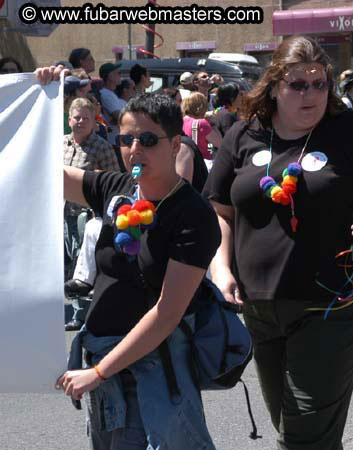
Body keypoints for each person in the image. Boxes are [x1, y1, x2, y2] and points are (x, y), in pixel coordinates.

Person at [203, 35, 353, 450]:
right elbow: (220, 210)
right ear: (275, 85)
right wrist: (221, 268)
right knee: (293, 426)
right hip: (259, 305)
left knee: (304, 437)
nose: (312, 94)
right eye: (299, 85)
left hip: (334, 303)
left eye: (320, 84)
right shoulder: (245, 133)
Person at [33, 65, 223, 448]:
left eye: (148, 139)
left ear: (176, 145)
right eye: (125, 139)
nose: (134, 149)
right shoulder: (117, 187)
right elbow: (37, 173)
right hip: (105, 364)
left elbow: (167, 312)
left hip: (153, 372)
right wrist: (44, 99)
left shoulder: (192, 214)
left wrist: (100, 372)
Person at [63, 97, 121, 331]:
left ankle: (81, 313)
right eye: (77, 117)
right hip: (63, 211)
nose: (80, 122)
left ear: (94, 122)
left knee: (82, 260)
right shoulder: (61, 143)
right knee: (68, 260)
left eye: (86, 118)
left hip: (86, 215)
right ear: (69, 120)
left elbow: (115, 179)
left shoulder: (101, 147)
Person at [181, 92, 222, 162]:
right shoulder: (201, 123)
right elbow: (220, 144)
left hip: (187, 162)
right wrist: (213, 124)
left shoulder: (181, 121)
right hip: (202, 164)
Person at [99, 62, 126, 145]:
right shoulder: (105, 94)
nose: (120, 75)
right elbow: (119, 116)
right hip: (114, 142)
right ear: (110, 76)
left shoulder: (111, 94)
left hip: (118, 139)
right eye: (118, 73)